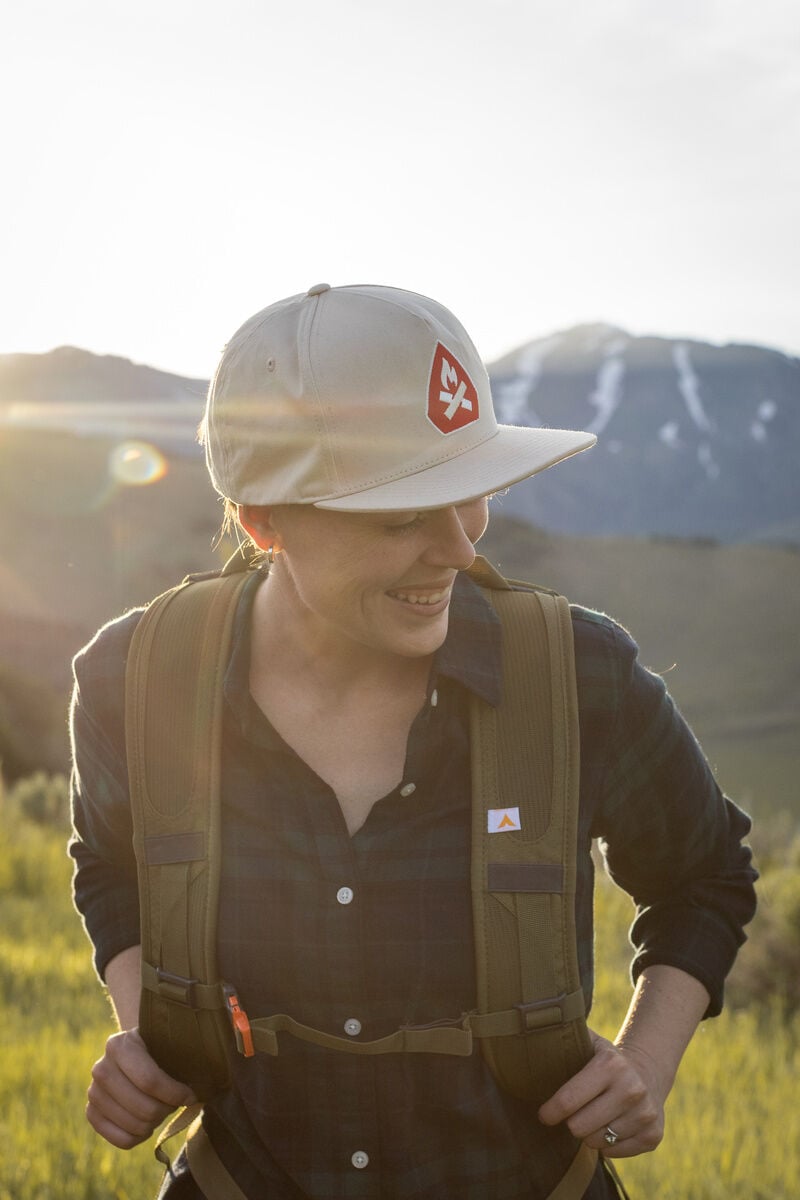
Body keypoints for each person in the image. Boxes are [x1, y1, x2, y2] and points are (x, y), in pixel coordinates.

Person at [69, 282, 757, 1199]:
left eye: (470, 495)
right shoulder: (136, 681)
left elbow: (703, 875)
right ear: (263, 519)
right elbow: (112, 865)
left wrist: (647, 1062)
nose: (460, 548)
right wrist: (149, 1031)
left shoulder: (578, 676)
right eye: (402, 515)